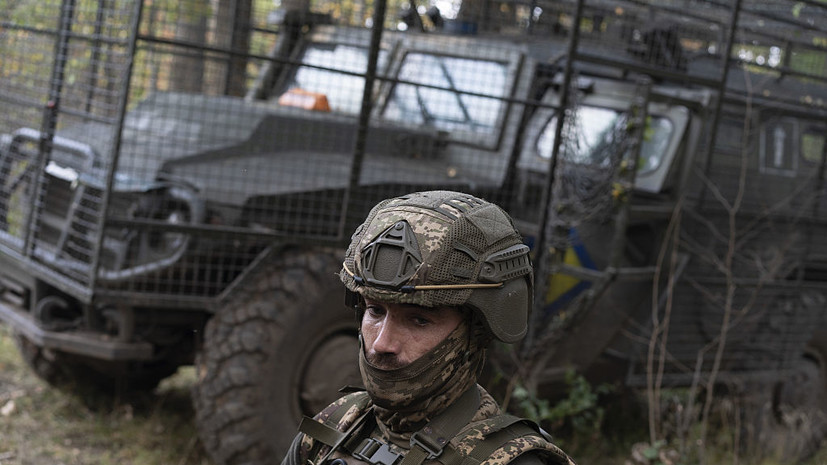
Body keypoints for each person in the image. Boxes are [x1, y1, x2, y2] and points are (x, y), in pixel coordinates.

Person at [281, 190, 576, 465]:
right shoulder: (336, 423)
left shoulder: (509, 460)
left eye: (419, 320)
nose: (382, 343)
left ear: (476, 332)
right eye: (375, 310)